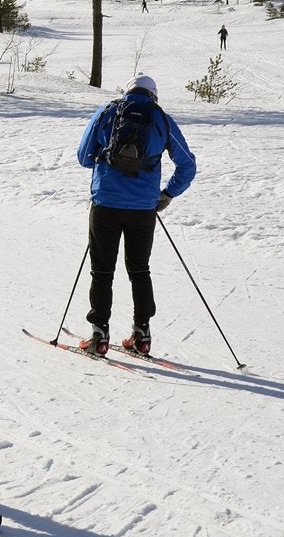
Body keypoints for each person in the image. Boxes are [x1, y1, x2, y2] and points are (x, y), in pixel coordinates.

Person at [74, 74, 198, 358]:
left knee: (102, 271)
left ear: (128, 91)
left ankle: (99, 336)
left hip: (105, 203)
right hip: (143, 208)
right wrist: (167, 194)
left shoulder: (107, 112)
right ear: (153, 95)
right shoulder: (161, 118)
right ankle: (142, 335)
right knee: (139, 270)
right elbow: (187, 165)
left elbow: (83, 156)